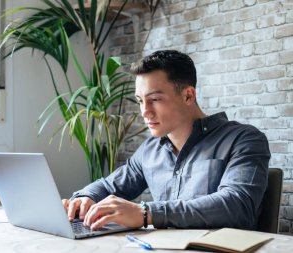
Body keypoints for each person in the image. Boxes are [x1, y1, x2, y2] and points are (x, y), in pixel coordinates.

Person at [62, 50, 271, 231]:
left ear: (188, 96)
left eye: (154, 99)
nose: (145, 112)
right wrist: (84, 198)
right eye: (140, 101)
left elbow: (237, 205)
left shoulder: (244, 139)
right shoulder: (149, 151)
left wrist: (146, 213)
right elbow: (108, 186)